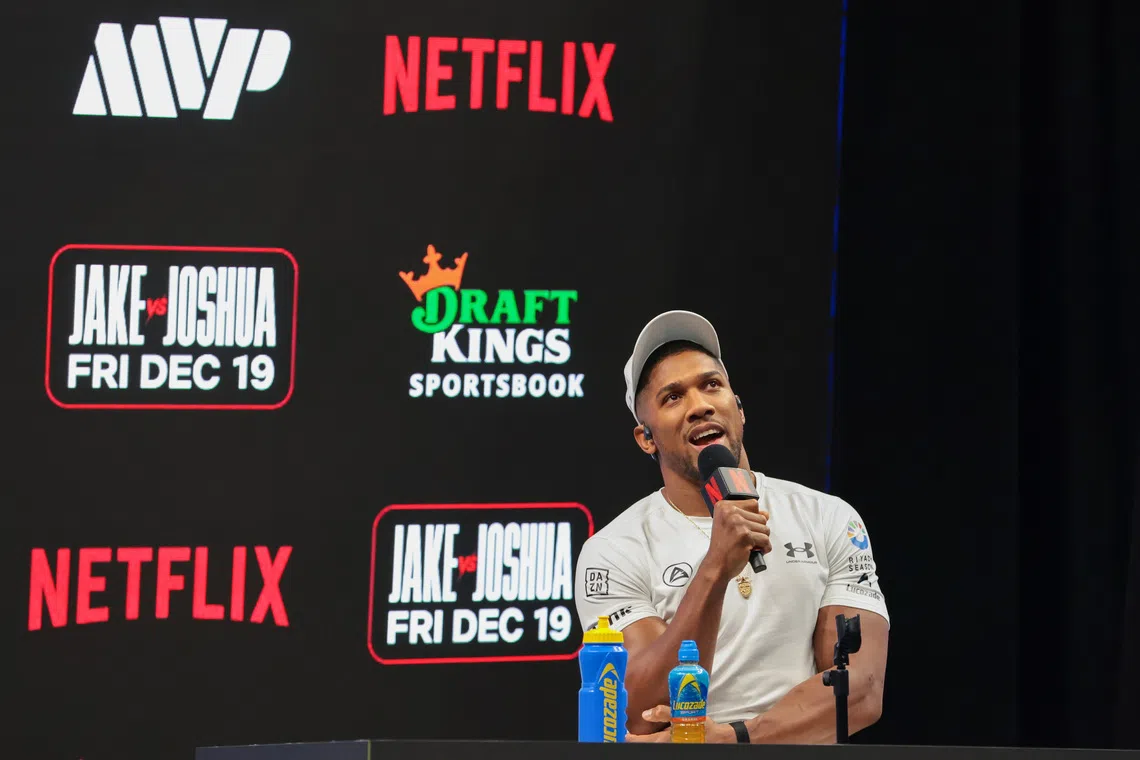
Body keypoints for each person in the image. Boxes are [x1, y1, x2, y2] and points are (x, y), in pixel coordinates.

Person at [573, 310, 889, 744]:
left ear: (739, 409)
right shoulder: (614, 549)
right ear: (646, 438)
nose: (700, 405)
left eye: (711, 385)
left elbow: (861, 691)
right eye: (672, 397)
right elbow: (638, 709)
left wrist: (737, 739)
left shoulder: (828, 517)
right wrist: (715, 568)